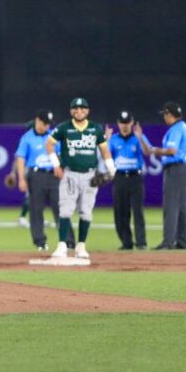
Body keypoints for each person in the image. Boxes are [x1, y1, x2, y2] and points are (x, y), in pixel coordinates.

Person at [45, 97, 116, 260]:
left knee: (86, 212)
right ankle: (62, 245)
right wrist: (56, 165)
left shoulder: (95, 128)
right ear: (71, 111)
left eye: (82, 108)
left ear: (88, 110)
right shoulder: (64, 127)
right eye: (75, 108)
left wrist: (112, 169)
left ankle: (81, 246)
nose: (79, 111)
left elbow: (105, 151)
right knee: (65, 210)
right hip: (69, 173)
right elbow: (49, 144)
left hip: (90, 175)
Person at [138, 101, 186, 250]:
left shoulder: (176, 128)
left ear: (170, 114)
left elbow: (171, 151)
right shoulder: (184, 127)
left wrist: (155, 149)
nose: (164, 118)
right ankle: (182, 240)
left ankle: (168, 241)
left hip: (176, 168)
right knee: (181, 205)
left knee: (171, 205)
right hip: (183, 168)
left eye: (165, 114)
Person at [15, 109, 67, 252]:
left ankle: (67, 240)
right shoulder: (27, 137)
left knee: (61, 208)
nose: (46, 126)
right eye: (44, 123)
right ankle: (40, 241)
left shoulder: (53, 136)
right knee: (36, 209)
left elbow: (62, 155)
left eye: (48, 124)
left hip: (53, 175)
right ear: (37, 120)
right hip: (36, 175)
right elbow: (21, 158)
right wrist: (21, 179)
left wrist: (62, 167)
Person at [107, 111, 149, 250]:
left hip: (135, 178)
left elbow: (147, 151)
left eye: (127, 123)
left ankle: (141, 242)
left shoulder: (138, 137)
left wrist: (140, 137)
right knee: (120, 212)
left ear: (132, 123)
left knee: (138, 212)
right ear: (118, 124)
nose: (125, 126)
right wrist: (106, 140)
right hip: (119, 178)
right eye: (122, 123)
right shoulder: (113, 139)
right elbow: (104, 156)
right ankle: (126, 242)